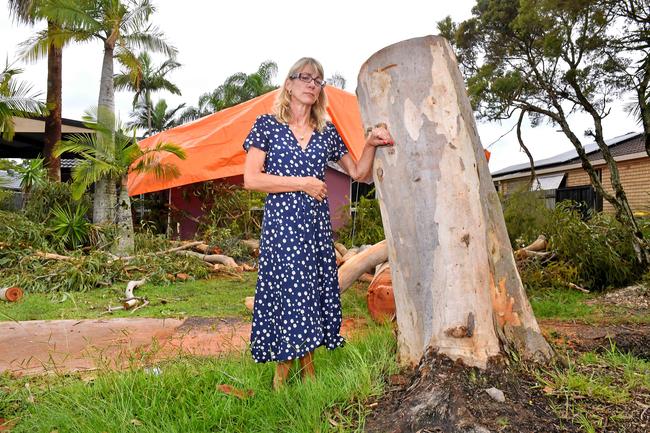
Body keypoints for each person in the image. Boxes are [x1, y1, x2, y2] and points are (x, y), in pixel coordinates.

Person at [242, 57, 394, 389]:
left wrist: (369, 143)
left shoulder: (325, 132)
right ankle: (283, 373)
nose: (313, 84)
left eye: (318, 80)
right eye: (306, 77)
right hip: (282, 228)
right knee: (286, 293)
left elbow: (359, 173)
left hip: (313, 229)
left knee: (308, 293)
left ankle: (307, 373)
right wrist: (303, 182)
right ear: (290, 84)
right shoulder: (267, 125)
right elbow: (252, 179)